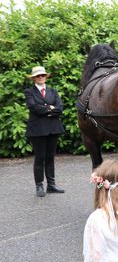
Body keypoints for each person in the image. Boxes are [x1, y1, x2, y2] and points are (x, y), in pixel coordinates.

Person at [24, 65, 65, 197]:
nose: (41, 78)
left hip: (53, 129)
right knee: (39, 158)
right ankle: (39, 186)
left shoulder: (53, 91)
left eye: (42, 75)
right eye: (38, 76)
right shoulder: (29, 92)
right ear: (34, 78)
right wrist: (50, 109)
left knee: (50, 158)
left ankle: (51, 185)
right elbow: (34, 107)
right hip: (37, 130)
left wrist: (47, 109)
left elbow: (60, 108)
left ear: (46, 77)